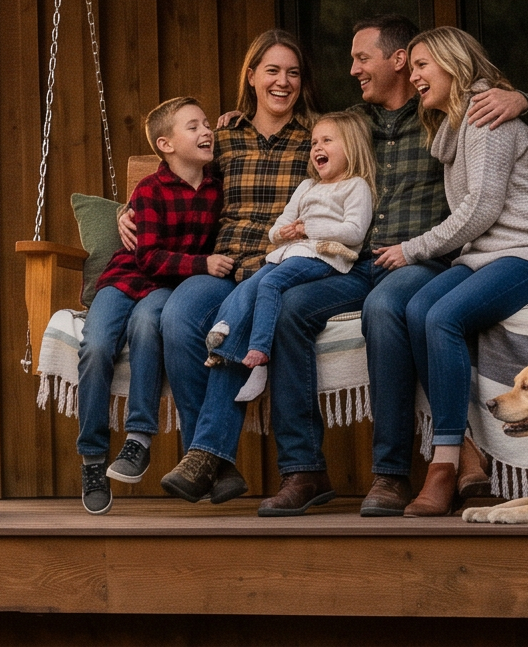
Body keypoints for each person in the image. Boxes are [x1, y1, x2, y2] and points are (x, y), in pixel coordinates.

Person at [139, 16, 528, 517]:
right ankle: (303, 470)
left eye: (362, 58)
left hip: (416, 259)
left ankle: (391, 473)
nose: (353, 69)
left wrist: (525, 100)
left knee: (384, 308)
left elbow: (526, 129)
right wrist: (131, 210)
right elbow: (192, 165)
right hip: (350, 261)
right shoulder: (356, 124)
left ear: (398, 61)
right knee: (290, 307)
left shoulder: (440, 120)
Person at [384, 25, 528, 517]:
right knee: (416, 307)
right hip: (485, 255)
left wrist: (412, 249)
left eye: (423, 65)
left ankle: (444, 461)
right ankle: (465, 449)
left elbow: (482, 208)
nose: (414, 74)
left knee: (442, 316)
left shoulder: (486, 115)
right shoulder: (454, 128)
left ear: (454, 64)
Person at [154, 29, 316, 505]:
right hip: (224, 264)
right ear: (251, 76)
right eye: (272, 71)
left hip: (281, 264)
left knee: (227, 327)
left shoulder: (317, 137)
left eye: (292, 73)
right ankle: (218, 463)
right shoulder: (223, 136)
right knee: (178, 317)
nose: (282, 82)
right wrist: (127, 211)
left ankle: (203, 454)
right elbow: (173, 176)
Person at [76, 97, 231, 514]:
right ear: (165, 144)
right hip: (127, 278)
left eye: (206, 124)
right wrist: (203, 263)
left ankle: (138, 439)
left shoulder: (218, 188)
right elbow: (145, 256)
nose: (205, 132)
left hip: (167, 287)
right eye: (192, 127)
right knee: (95, 346)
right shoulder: (148, 189)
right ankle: (92, 459)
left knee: (149, 327)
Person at [207, 110, 375, 404]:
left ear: (351, 147)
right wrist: (282, 232)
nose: (317, 148)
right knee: (252, 282)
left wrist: (308, 229)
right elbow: (279, 225)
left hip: (324, 258)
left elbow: (354, 231)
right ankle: (225, 335)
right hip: (291, 252)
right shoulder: (307, 186)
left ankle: (259, 354)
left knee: (270, 285)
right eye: (313, 143)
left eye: (327, 141)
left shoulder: (355, 186)